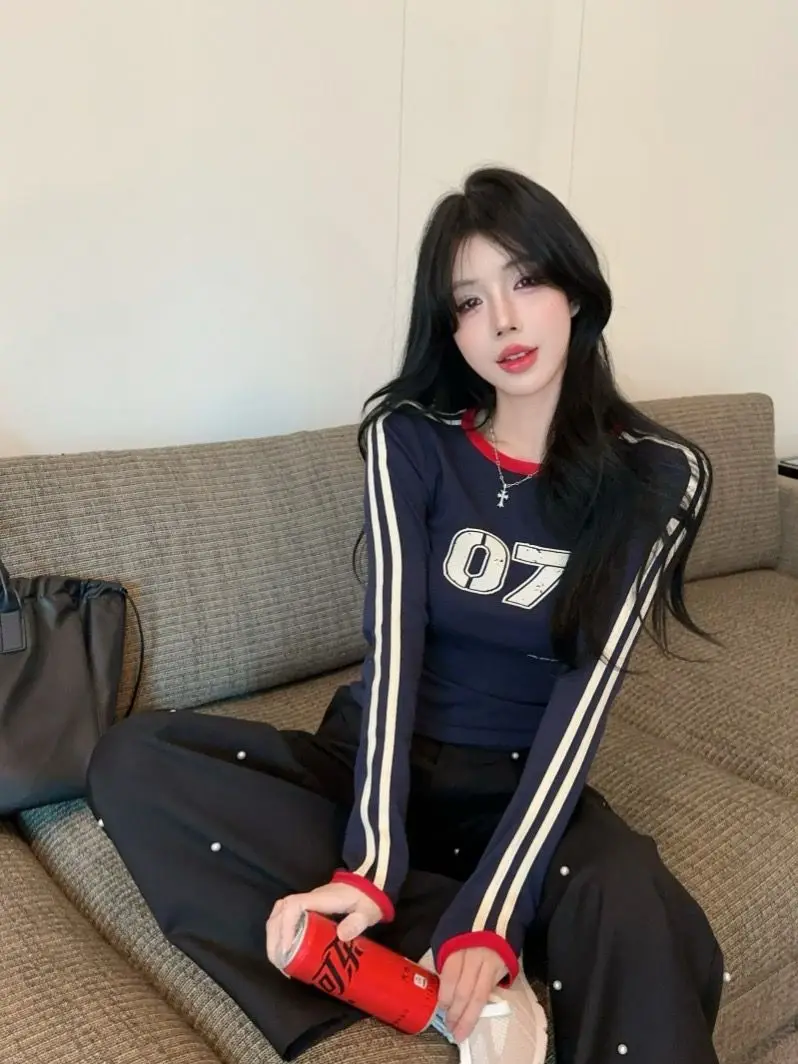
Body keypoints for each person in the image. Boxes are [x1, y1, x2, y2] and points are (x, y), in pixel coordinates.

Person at [87, 167, 725, 1064]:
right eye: (469, 301)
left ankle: (458, 940)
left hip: (516, 786)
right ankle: (434, 974)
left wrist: (493, 910)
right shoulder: (410, 440)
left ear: (576, 289)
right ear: (448, 326)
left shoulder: (660, 473)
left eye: (525, 281)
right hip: (375, 763)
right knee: (132, 760)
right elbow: (395, 651)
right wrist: (371, 865)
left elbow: (586, 700)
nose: (502, 321)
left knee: (634, 901)